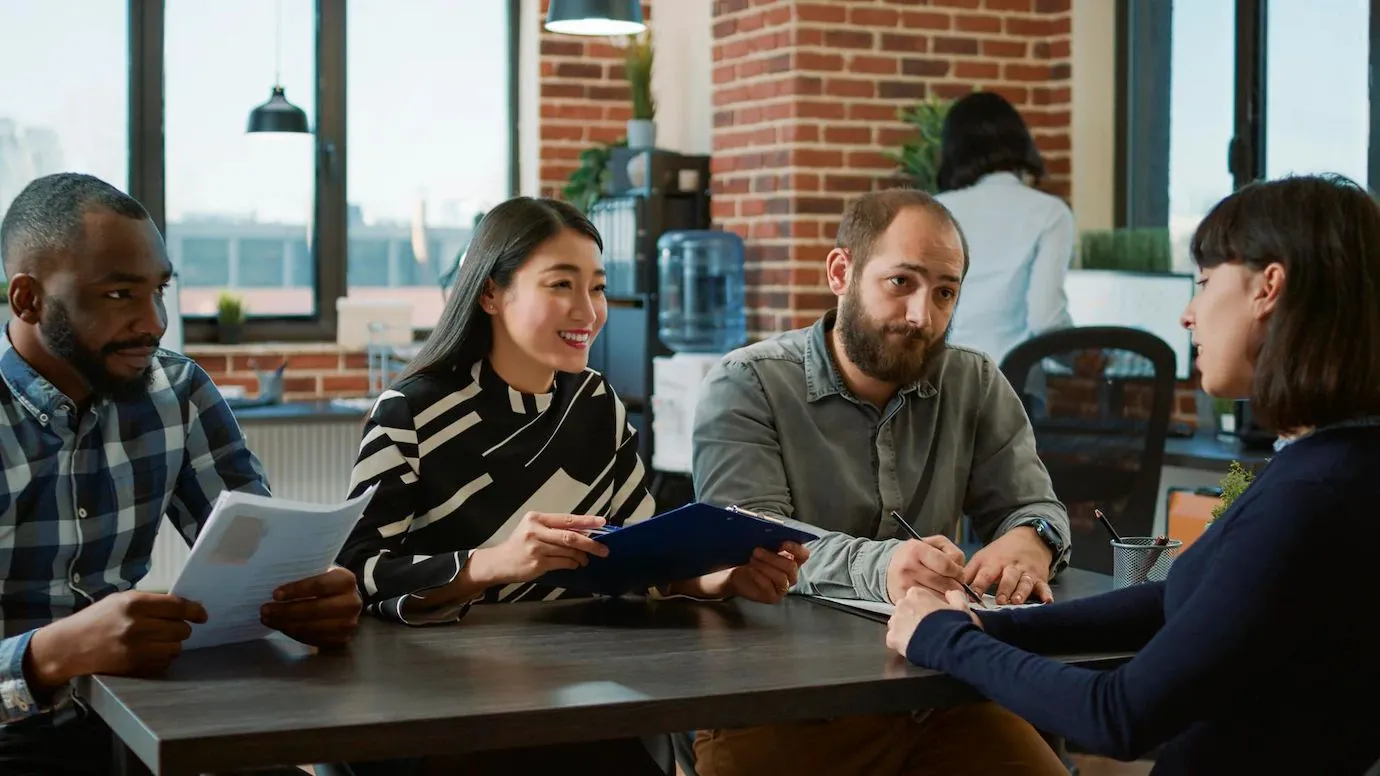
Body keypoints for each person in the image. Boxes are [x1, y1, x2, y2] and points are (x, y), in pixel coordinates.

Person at [886, 174, 1380, 775]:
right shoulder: (1341, 465)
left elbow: (1116, 716)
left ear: (1267, 288)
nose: (1189, 314)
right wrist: (991, 626)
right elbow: (1179, 600)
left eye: (1203, 284)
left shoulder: (1311, 496)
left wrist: (942, 638)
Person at [336, 196, 808, 775]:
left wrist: (721, 577)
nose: (588, 310)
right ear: (490, 293)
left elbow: (640, 547)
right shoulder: (409, 413)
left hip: (580, 687)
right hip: (442, 704)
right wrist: (492, 565)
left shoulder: (595, 403)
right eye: (561, 285)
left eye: (598, 287)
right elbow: (355, 573)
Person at [690, 187, 1071, 776]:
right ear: (841, 272)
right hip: (782, 704)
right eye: (902, 283)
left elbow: (1035, 506)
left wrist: (1032, 538)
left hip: (934, 694)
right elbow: (750, 538)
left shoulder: (973, 382)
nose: (923, 316)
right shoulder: (748, 384)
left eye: (945, 293)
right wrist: (887, 567)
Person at [0, 173, 362, 776]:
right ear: (28, 300)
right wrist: (49, 655)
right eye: (120, 295)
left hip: (148, 714)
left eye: (159, 290)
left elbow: (257, 552)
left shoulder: (178, 390)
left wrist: (310, 593)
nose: (154, 321)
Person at [935, 91, 1074, 365]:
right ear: (1019, 142)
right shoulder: (1051, 213)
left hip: (937, 390)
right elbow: (1045, 319)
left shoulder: (931, 211)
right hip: (1013, 392)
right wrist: (1086, 358)